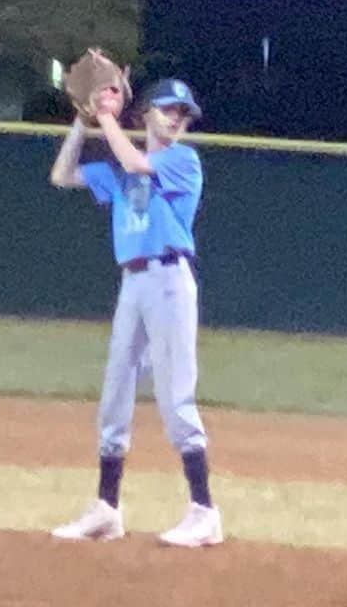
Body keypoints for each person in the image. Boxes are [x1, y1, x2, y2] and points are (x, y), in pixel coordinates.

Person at [47, 73, 222, 547]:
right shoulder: (120, 167)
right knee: (115, 392)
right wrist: (83, 122)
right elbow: (61, 175)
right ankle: (107, 507)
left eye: (183, 113)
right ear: (144, 114)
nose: (177, 119)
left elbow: (134, 160)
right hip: (134, 282)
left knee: (174, 394)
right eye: (168, 109)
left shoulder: (183, 160)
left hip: (169, 279)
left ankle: (204, 511)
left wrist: (104, 116)